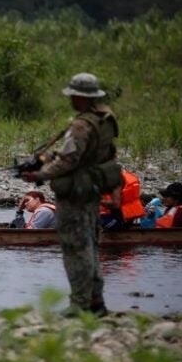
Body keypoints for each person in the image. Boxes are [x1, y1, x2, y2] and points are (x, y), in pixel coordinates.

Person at [21, 72, 119, 317]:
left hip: (75, 193)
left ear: (80, 97)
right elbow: (103, 155)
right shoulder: (105, 120)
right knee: (91, 244)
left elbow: (68, 161)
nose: (71, 100)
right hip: (92, 190)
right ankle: (97, 302)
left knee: (76, 247)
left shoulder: (81, 125)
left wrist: (39, 175)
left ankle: (80, 304)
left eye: (74, 96)